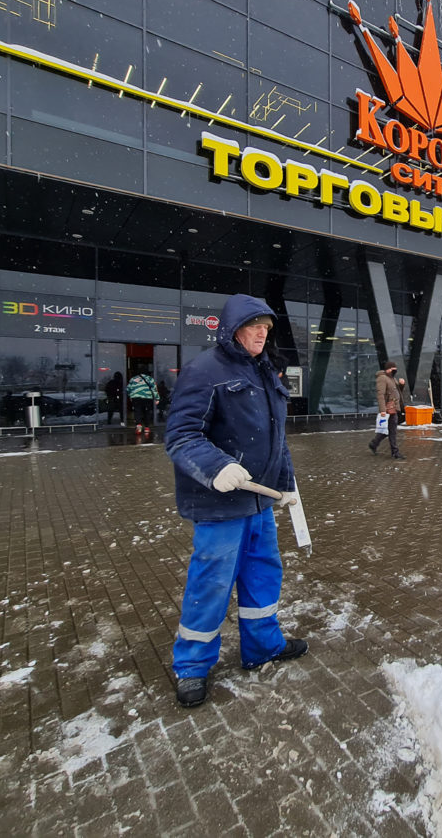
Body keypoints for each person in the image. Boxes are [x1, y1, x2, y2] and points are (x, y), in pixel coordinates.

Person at [164, 294, 306, 708]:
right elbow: (182, 436)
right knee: (211, 584)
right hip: (221, 504)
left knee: (263, 574)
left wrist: (287, 484)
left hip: (260, 503)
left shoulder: (265, 373)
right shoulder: (204, 371)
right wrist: (216, 467)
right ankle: (191, 666)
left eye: (267, 326)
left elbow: (277, 442)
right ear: (233, 328)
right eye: (254, 325)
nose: (263, 332)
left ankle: (262, 646)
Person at [367, 361, 406, 460]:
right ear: (388, 369)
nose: (395, 371)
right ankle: (395, 452)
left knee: (387, 431)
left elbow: (397, 392)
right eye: (393, 369)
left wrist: (401, 385)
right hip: (388, 410)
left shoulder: (392, 378)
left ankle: (373, 444)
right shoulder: (382, 378)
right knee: (391, 431)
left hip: (393, 409)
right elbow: (380, 395)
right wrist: (382, 410)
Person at [127, 367, 159, 434]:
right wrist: (157, 398)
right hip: (147, 397)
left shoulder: (133, 379)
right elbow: (154, 389)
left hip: (136, 397)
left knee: (137, 410)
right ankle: (147, 427)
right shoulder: (150, 379)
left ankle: (138, 424)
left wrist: (130, 396)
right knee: (147, 411)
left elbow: (128, 388)